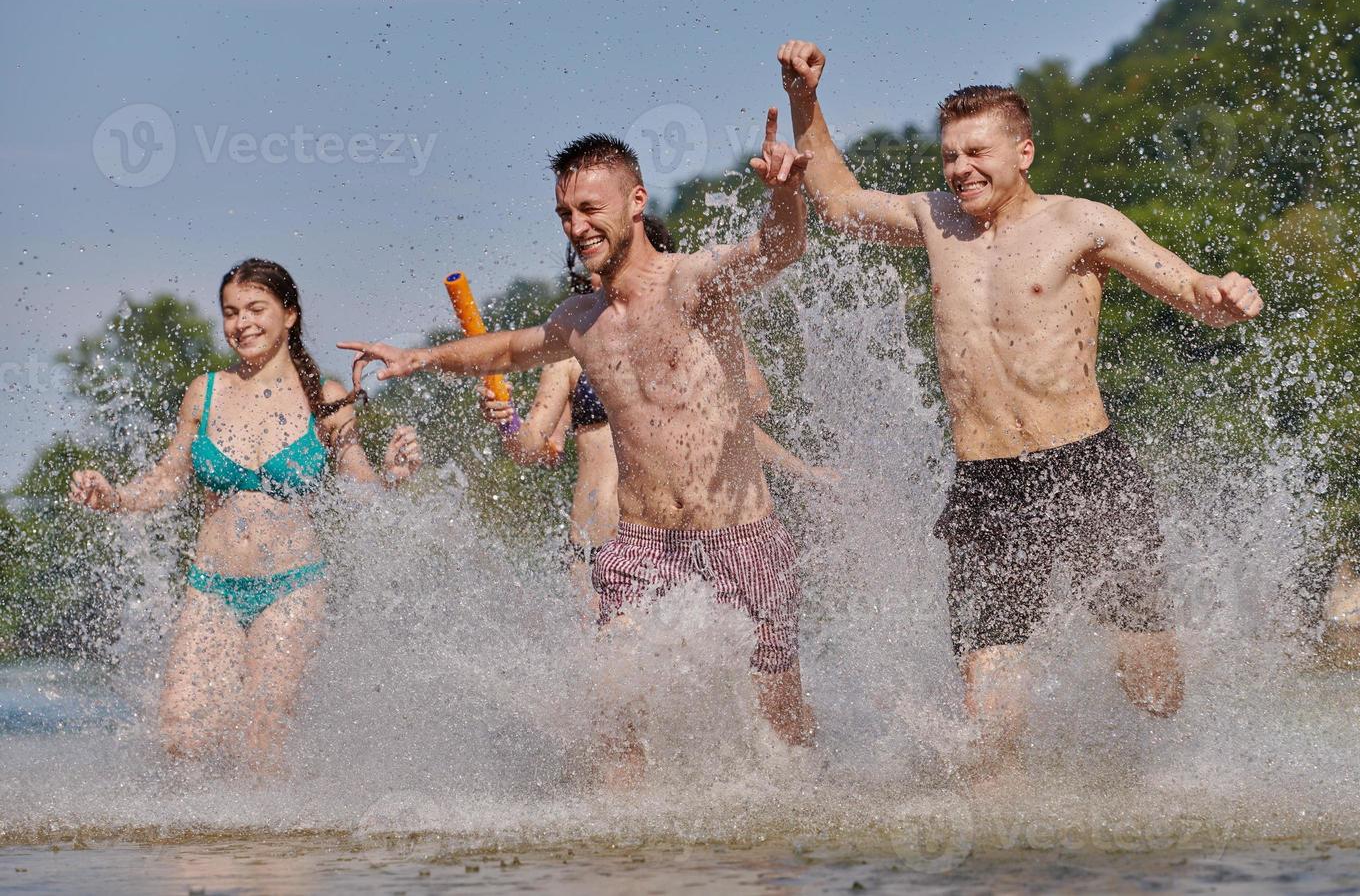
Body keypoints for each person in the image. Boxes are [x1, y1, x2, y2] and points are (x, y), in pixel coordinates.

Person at [776, 40, 1263, 761]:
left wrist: (1226, 295)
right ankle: (1003, 843)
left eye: (977, 152)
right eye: (949, 155)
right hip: (987, 483)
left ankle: (1163, 779)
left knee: (1154, 689)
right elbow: (840, 204)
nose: (960, 169)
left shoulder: (1082, 224)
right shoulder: (934, 220)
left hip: (1087, 471)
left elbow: (1189, 289)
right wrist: (805, 100)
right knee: (990, 699)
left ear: (1024, 151)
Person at [341, 115, 816, 782]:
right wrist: (422, 357)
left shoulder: (692, 283)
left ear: (635, 201)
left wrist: (787, 194)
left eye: (589, 208)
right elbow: (508, 348)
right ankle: (619, 856)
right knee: (614, 713)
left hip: (739, 535)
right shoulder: (581, 321)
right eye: (564, 212)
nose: (575, 225)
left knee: (783, 732)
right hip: (641, 545)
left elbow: (777, 248)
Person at [69, 258, 422, 768]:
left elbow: (361, 488)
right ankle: (199, 846)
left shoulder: (325, 398)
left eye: (257, 308)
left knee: (261, 737)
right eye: (231, 313)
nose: (243, 323)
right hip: (211, 585)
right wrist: (115, 496)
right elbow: (168, 478)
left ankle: (268, 847)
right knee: (180, 734)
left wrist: (392, 476)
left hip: (293, 585)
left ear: (290, 315)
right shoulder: (205, 391)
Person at [482, 229, 835, 621]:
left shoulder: (687, 332)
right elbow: (533, 447)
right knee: (617, 676)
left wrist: (802, 470)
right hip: (597, 543)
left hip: (677, 541)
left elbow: (749, 409)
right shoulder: (569, 353)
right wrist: (507, 422)